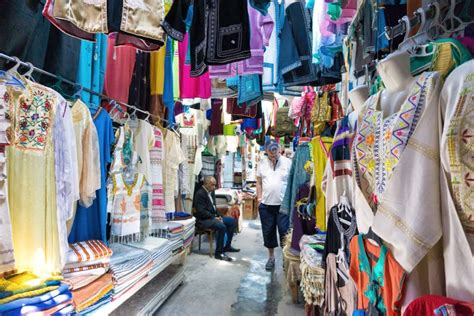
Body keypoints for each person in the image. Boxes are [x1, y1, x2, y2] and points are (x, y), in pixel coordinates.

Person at [256, 139, 292, 270]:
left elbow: (291, 182)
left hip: (283, 205)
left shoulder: (288, 163)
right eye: (270, 151)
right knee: (268, 232)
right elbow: (258, 182)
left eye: (275, 150)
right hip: (266, 205)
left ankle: (284, 258)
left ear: (279, 148)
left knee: (284, 232)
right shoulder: (262, 163)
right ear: (266, 150)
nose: (273, 153)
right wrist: (259, 198)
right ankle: (271, 258)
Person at [194, 176, 240, 261]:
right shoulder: (200, 194)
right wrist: (214, 217)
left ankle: (227, 246)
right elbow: (201, 212)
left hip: (212, 217)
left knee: (232, 221)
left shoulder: (211, 192)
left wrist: (218, 216)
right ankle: (219, 253)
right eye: (212, 185)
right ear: (206, 184)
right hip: (203, 220)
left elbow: (213, 207)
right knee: (221, 226)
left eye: (215, 185)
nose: (214, 187)